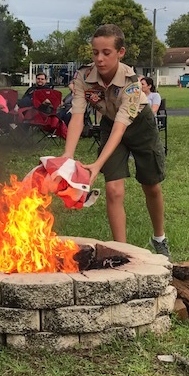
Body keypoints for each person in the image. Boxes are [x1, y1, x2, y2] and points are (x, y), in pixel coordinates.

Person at [62, 24, 169, 259]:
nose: (99, 59)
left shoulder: (131, 82)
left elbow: (123, 128)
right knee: (113, 188)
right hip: (110, 125)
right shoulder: (83, 77)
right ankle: (122, 251)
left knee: (150, 185)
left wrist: (97, 164)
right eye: (95, 52)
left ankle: (159, 238)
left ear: (120, 53)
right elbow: (77, 117)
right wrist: (67, 158)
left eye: (106, 53)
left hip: (140, 126)